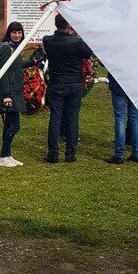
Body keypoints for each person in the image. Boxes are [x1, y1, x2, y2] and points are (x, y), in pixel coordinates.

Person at [43, 13, 91, 163]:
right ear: (68, 25)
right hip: (74, 84)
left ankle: (53, 154)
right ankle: (70, 154)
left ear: (56, 24)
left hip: (57, 83)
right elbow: (87, 54)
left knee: (55, 118)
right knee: (72, 119)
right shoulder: (75, 43)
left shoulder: (47, 40)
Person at [0, 21, 36, 167]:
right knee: (14, 125)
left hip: (15, 90)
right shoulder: (7, 48)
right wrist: (6, 94)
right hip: (10, 91)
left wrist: (33, 62)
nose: (17, 35)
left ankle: (6, 154)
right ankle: (3, 156)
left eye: (19, 32)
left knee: (9, 125)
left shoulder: (15, 48)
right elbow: (4, 71)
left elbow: (17, 65)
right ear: (9, 33)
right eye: (14, 32)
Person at [105, 71, 138, 164]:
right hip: (137, 83)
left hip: (119, 82)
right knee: (135, 118)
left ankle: (119, 154)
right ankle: (136, 153)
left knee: (120, 118)